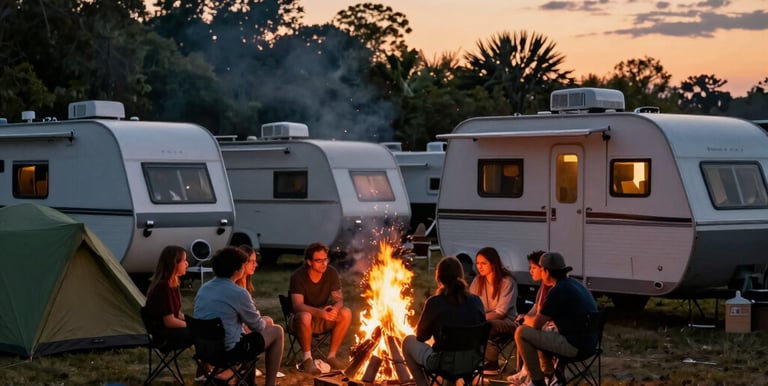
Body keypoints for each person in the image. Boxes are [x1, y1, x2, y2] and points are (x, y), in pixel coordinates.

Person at [194, 246, 284, 386]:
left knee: (257, 329)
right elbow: (258, 326)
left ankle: (240, 377)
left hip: (205, 350)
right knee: (277, 331)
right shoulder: (238, 293)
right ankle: (270, 384)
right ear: (237, 270)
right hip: (229, 352)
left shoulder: (203, 289)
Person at [511, 252, 598, 386]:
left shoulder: (558, 290)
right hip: (591, 343)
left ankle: (538, 381)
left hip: (574, 346)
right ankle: (551, 377)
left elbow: (536, 323)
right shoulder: (575, 284)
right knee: (541, 335)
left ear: (545, 271)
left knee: (522, 333)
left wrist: (525, 319)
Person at [402, 256, 486, 386]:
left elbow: (421, 336)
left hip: (444, 364)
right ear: (461, 275)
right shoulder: (476, 301)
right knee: (452, 353)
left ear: (439, 279)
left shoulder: (435, 302)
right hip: (473, 361)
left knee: (408, 342)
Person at [289, 242, 352, 374]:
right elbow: (297, 306)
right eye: (319, 261)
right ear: (309, 262)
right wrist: (319, 313)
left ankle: (331, 357)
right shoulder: (298, 276)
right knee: (305, 316)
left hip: (322, 318)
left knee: (346, 312)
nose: (324, 263)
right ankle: (307, 359)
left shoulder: (331, 273)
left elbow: (339, 300)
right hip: (300, 320)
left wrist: (335, 308)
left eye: (325, 259)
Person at [469, 246, 518, 372]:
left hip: (509, 322)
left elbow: (501, 313)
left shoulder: (507, 282)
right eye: (478, 263)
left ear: (493, 264)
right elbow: (471, 305)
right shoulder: (477, 281)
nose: (480, 266)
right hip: (483, 321)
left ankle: (491, 362)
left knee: (486, 325)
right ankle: (470, 360)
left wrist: (478, 319)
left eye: (484, 263)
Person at [507, 250, 547, 384]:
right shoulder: (543, 287)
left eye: (534, 268)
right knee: (523, 326)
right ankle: (525, 371)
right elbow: (536, 307)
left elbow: (540, 318)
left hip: (552, 333)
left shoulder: (551, 289)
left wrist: (528, 320)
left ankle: (532, 375)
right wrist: (525, 316)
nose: (530, 271)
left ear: (544, 269)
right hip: (545, 328)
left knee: (524, 332)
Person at [144, 245, 193, 350]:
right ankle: (208, 365)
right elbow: (169, 321)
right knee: (203, 334)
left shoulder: (172, 284)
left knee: (205, 330)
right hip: (164, 336)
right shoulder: (164, 287)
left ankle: (206, 366)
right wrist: (191, 326)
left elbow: (177, 314)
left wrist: (194, 322)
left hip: (170, 331)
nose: (187, 264)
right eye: (184, 260)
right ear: (174, 262)